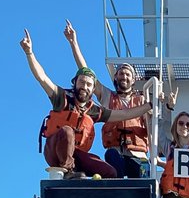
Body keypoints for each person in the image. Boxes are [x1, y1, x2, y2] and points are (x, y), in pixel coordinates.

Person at [23, 29, 152, 178]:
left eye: (88, 84)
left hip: (81, 155)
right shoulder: (62, 98)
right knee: (67, 131)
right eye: (82, 82)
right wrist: (29, 53)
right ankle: (69, 172)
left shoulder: (94, 110)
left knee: (110, 172)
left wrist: (151, 105)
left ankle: (103, 191)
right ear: (75, 82)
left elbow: (124, 114)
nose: (85, 86)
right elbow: (42, 78)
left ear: (92, 89)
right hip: (56, 151)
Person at [63, 20, 156, 178]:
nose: (124, 76)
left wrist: (163, 105)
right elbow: (85, 71)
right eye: (121, 73)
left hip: (138, 155)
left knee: (143, 180)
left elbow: (155, 126)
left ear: (134, 79)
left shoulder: (143, 101)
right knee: (111, 157)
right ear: (115, 77)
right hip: (116, 154)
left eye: (128, 74)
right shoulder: (107, 96)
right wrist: (74, 43)